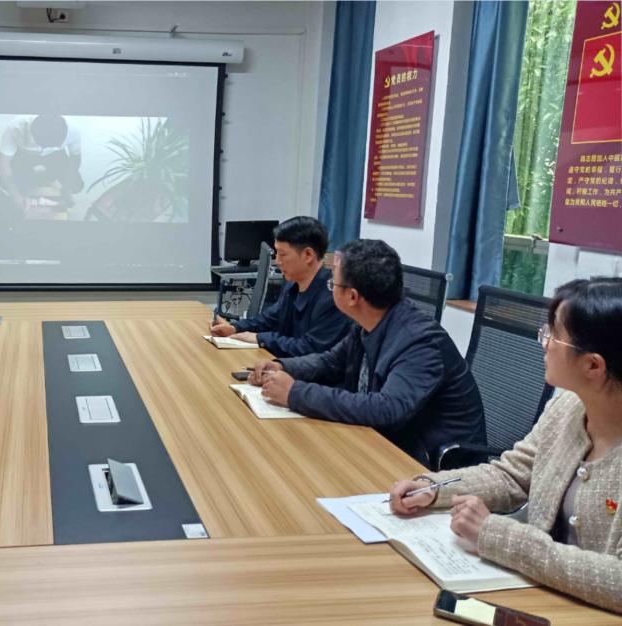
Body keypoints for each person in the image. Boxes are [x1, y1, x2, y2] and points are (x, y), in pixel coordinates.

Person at [389, 277, 622, 613]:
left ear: (593, 365)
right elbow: (512, 475)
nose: (543, 342)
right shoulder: (567, 408)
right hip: (539, 596)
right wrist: (434, 489)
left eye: (553, 335)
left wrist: (498, 535)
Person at [248, 239, 485, 466]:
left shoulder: (421, 342)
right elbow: (330, 362)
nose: (330, 287)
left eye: (333, 284)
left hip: (429, 466)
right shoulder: (369, 322)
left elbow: (386, 409)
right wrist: (282, 366)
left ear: (352, 296)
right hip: (381, 443)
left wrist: (295, 393)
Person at [210, 216, 350, 357]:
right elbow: (270, 318)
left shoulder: (333, 297)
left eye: (283, 254)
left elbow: (310, 348)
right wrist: (235, 328)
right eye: (276, 253)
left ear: (308, 255)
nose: (277, 261)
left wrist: (260, 338)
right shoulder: (292, 283)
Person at [0, 114, 83, 214]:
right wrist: (15, 195)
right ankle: (38, 178)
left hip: (55, 155)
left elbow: (75, 158)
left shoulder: (73, 130)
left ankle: (43, 177)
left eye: (54, 145)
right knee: (4, 183)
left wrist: (67, 187)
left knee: (76, 185)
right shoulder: (14, 129)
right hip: (25, 154)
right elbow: (4, 163)